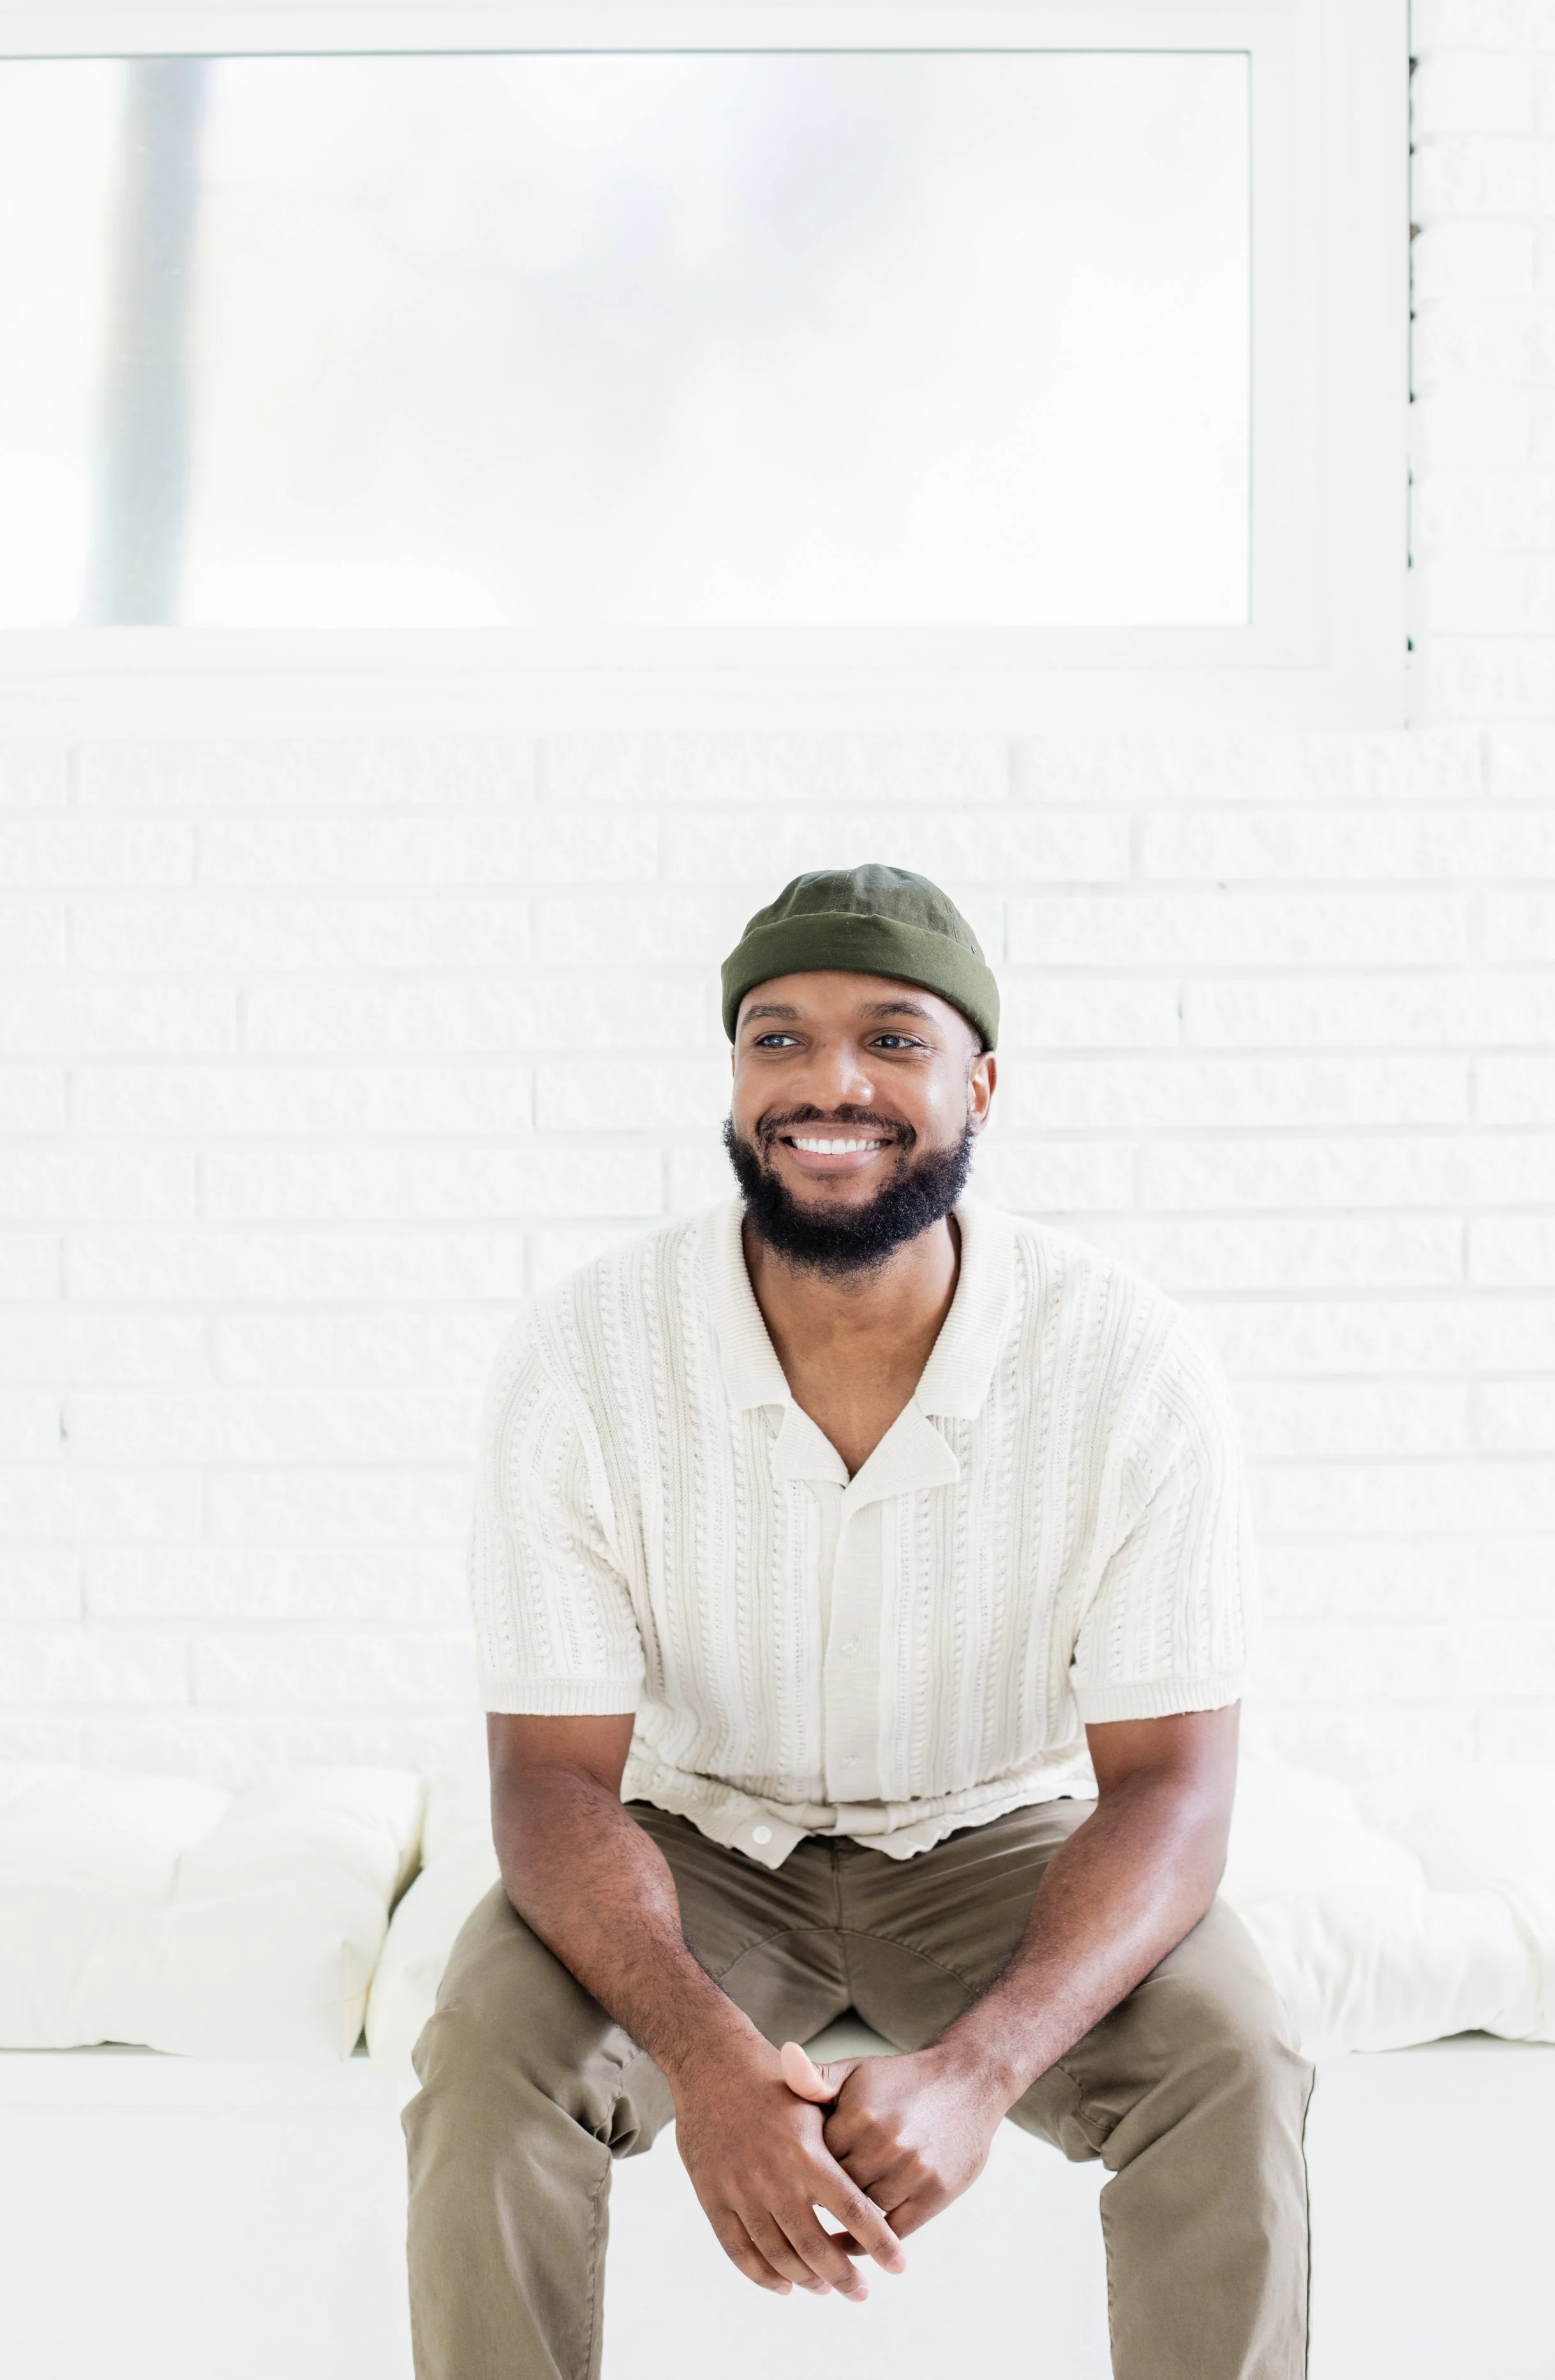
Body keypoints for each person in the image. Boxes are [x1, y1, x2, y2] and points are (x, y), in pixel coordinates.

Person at [404, 865, 1311, 2380]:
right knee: (490, 2049)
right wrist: (702, 2061)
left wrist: (981, 2066)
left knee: (1229, 2049)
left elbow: (1174, 1788)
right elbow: (551, 1778)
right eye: (777, 1041)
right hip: (689, 1845)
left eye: (892, 1041)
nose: (829, 1084)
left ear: (981, 1085)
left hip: (999, 1843)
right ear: (733, 1077)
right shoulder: (583, 1355)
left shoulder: (1126, 1361)